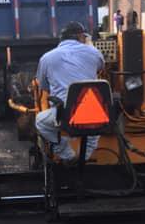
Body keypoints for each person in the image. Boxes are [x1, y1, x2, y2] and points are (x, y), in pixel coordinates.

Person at [35, 21, 105, 163]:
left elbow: (44, 88)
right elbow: (100, 67)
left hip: (65, 114)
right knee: (94, 128)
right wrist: (89, 45)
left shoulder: (46, 58)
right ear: (81, 36)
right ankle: (84, 157)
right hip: (93, 113)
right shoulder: (94, 53)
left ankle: (68, 155)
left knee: (40, 122)